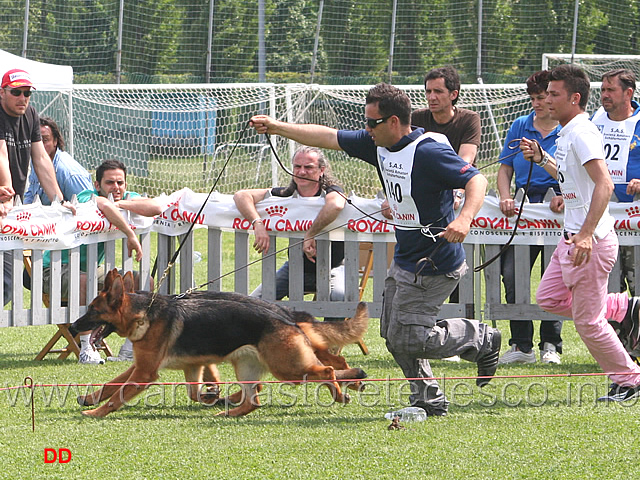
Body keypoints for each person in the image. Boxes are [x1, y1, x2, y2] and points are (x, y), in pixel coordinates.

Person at [250, 83, 502, 417]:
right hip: (406, 258)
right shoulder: (378, 143)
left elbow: (477, 181)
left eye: (372, 123)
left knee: (410, 338)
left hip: (437, 261)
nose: (366, 129)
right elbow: (326, 137)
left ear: (394, 121)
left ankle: (482, 338)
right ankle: (429, 399)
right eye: (366, 123)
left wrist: (465, 219)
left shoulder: (428, 152)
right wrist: (278, 127)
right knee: (392, 333)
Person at [520, 64, 640, 402]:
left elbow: (603, 183)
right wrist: (543, 160)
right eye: (546, 94)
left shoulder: (582, 132)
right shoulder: (567, 131)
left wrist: (586, 234)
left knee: (588, 323)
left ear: (574, 98)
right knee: (548, 297)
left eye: (554, 94)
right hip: (570, 238)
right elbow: (573, 180)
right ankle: (621, 308)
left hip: (590, 242)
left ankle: (630, 381)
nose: (546, 100)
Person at [41, 159, 145, 364]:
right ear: (97, 185)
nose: (116, 187)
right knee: (84, 281)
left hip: (92, 269)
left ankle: (130, 347)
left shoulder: (124, 197)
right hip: (53, 268)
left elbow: (155, 206)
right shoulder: (87, 196)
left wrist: (121, 203)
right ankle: (86, 348)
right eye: (109, 183)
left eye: (120, 183)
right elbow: (104, 203)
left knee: (144, 280)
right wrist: (130, 234)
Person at [233, 146, 346, 321]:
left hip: (333, 267)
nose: (302, 171)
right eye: (297, 166)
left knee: (339, 299)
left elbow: (336, 205)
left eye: (308, 167)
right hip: (294, 268)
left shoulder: (331, 191)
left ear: (321, 170)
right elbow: (241, 195)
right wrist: (258, 223)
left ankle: (327, 346)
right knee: (253, 304)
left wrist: (310, 234)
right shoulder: (285, 194)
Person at [497, 71, 564, 365]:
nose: (538, 103)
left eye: (543, 97)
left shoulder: (568, 128)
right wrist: (503, 196)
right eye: (534, 98)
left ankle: (551, 343)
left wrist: (566, 195)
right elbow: (504, 169)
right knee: (512, 275)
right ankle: (521, 345)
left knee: (555, 277)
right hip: (523, 205)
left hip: (556, 206)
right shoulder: (519, 125)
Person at [0, 68, 74, 306]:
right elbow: (1, 154)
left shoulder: (30, 115)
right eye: (16, 92)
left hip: (9, 210)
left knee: (7, 284)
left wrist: (59, 200)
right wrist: (6, 194)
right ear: (2, 92)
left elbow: (41, 159)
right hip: (5, 203)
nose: (23, 98)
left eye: (27, 93)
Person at [591, 69, 640, 297]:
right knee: (608, 288)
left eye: (611, 90)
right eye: (602, 90)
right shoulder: (595, 119)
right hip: (601, 217)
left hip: (634, 217)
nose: (604, 95)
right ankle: (616, 333)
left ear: (628, 92)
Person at [24, 117, 92, 204]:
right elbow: (31, 193)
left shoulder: (69, 173)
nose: (39, 145)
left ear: (55, 141)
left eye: (45, 140)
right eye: (35, 140)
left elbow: (87, 205)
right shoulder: (36, 162)